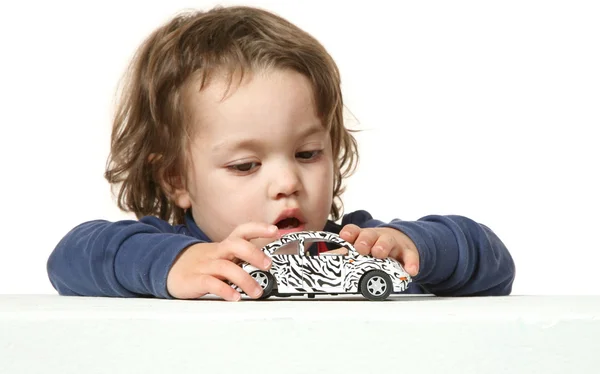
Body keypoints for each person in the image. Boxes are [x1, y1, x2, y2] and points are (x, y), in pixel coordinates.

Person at [47, 5, 515, 301]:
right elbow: (69, 259)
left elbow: (492, 261)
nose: (287, 182)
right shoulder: (173, 253)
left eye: (308, 153)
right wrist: (171, 265)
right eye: (245, 165)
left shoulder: (352, 248)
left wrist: (414, 246)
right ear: (176, 180)